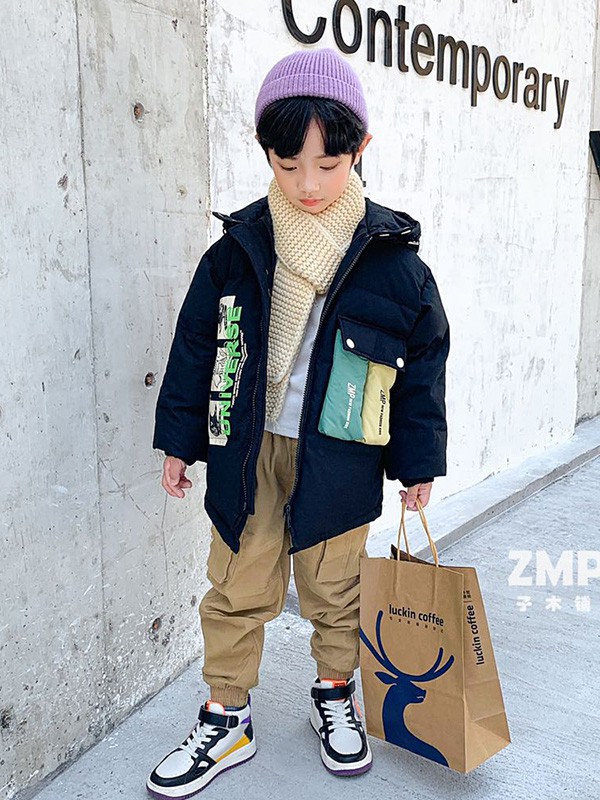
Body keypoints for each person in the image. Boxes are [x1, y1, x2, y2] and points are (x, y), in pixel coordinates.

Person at [147, 48, 450, 798]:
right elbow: (196, 346)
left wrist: (418, 462)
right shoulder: (240, 249)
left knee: (336, 588)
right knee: (236, 582)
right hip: (247, 450)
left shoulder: (394, 264)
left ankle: (334, 694)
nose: (307, 185)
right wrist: (180, 441)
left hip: (343, 459)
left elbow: (422, 372)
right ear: (266, 154)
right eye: (288, 165)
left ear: (361, 149)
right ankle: (227, 713)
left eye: (328, 164)